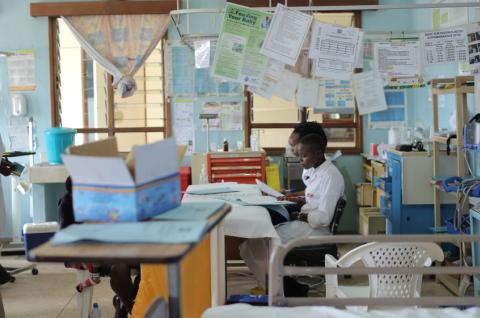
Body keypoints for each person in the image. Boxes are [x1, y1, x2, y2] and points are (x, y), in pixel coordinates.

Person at [240, 132, 345, 296]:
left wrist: (297, 216)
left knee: (256, 244)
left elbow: (323, 218)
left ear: (318, 153)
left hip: (316, 230)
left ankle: (280, 289)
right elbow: (313, 199)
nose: (300, 159)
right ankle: (281, 286)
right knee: (249, 245)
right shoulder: (317, 171)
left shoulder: (331, 176)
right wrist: (293, 199)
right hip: (307, 224)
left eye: (304, 156)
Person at [57, 177, 140, 318]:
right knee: (119, 268)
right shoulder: (67, 204)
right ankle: (134, 310)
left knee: (151, 264)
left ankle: (126, 303)